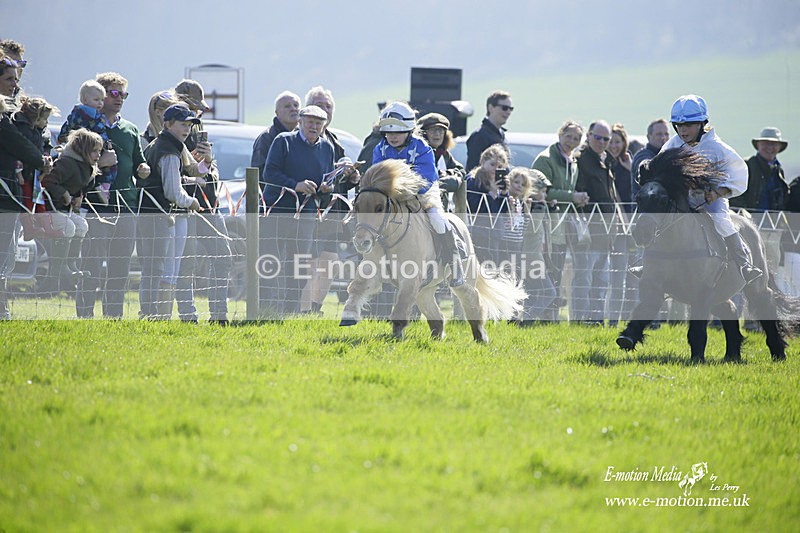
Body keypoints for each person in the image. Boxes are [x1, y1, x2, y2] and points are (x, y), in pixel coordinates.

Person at [657, 94, 762, 284]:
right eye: (679, 125)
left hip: (710, 199)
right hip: (682, 199)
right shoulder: (672, 145)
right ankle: (647, 263)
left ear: (701, 124)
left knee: (722, 220)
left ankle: (744, 264)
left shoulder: (718, 148)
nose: (683, 130)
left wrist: (717, 193)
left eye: (687, 125)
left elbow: (739, 175)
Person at [74, 72, 149, 319]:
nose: (119, 99)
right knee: (91, 267)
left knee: (120, 269)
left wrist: (143, 169)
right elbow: (69, 162)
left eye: (123, 94)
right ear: (101, 96)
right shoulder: (85, 127)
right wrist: (99, 163)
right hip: (95, 206)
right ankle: (84, 316)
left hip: (125, 207)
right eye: (114, 93)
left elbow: (139, 161)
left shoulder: (130, 129)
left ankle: (113, 318)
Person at [373, 101, 465, 286]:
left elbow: (427, 179)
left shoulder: (423, 148)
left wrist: (404, 192)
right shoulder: (379, 149)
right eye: (389, 132)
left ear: (409, 130)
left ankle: (454, 261)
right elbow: (377, 175)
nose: (393, 136)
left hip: (423, 194)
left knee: (438, 219)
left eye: (398, 132)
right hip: (391, 197)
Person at [262, 105, 335, 314]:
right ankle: (266, 310)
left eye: (318, 123)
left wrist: (325, 188)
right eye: (310, 122)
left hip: (307, 213)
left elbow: (327, 181)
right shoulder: (284, 141)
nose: (314, 126)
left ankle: (290, 311)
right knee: (271, 261)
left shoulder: (327, 148)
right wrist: (295, 185)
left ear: (324, 126)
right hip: (277, 210)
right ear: (300, 122)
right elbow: (270, 174)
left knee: (300, 264)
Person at [138, 104, 202, 320]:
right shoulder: (168, 151)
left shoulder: (166, 145)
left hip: (163, 215)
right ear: (167, 124)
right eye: (182, 124)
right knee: (160, 267)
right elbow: (173, 192)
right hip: (160, 215)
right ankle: (152, 314)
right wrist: (192, 202)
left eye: (189, 125)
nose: (186, 129)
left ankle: (161, 316)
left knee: (167, 266)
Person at [300, 86, 360, 315]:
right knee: (309, 260)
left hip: (332, 213)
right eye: (318, 104)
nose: (323, 109)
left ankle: (315, 308)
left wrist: (352, 177)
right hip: (307, 209)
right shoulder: (300, 138)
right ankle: (303, 309)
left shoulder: (335, 141)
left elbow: (341, 181)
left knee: (331, 258)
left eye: (327, 106)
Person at [0, 85, 53, 319]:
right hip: (10, 192)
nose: (14, 84)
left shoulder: (15, 124)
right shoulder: (12, 126)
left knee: (6, 254)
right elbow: (23, 148)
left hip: (14, 195)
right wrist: (41, 161)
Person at [40, 129, 104, 295]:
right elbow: (48, 181)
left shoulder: (88, 167)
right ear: (82, 150)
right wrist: (63, 193)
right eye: (94, 151)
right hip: (50, 209)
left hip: (65, 209)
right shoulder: (67, 163)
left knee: (81, 225)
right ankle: (59, 266)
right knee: (69, 227)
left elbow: (81, 186)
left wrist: (79, 196)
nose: (98, 155)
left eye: (99, 151)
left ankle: (71, 263)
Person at [533, 120, 586, 320]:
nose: (571, 142)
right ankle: (538, 316)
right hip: (544, 225)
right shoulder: (545, 159)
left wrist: (578, 199)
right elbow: (540, 191)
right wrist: (572, 196)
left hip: (561, 228)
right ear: (559, 134)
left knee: (557, 271)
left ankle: (551, 318)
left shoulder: (573, 161)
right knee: (544, 273)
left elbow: (565, 193)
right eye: (568, 136)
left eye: (576, 138)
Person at [573, 120, 617, 324]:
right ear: (588, 136)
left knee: (602, 279)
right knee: (585, 277)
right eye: (597, 137)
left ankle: (597, 319)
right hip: (588, 230)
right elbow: (579, 193)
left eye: (606, 139)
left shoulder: (607, 160)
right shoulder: (581, 160)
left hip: (606, 231)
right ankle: (581, 318)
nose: (601, 142)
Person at [57, 80, 119, 203]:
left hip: (75, 148)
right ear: (85, 99)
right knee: (111, 163)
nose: (100, 103)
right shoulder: (94, 116)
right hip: (91, 146)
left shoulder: (74, 113)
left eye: (102, 100)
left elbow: (67, 127)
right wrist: (106, 144)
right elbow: (99, 131)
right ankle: (104, 185)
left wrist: (62, 137)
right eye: (96, 100)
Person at [606, 123, 636, 325]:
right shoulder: (604, 164)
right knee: (614, 277)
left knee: (630, 276)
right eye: (611, 141)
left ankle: (627, 318)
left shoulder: (629, 165)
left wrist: (631, 169)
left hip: (630, 226)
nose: (614, 146)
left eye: (618, 142)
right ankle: (612, 320)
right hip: (611, 226)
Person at [466, 144, 510, 264]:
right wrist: (492, 192)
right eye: (492, 164)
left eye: (500, 166)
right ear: (483, 161)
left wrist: (505, 194)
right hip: (479, 232)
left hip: (496, 232)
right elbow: (476, 208)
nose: (495, 169)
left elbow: (503, 211)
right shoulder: (473, 181)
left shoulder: (498, 181)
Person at [418, 112, 467, 219]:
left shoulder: (443, 154)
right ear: (424, 133)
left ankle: (462, 223)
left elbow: (461, 170)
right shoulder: (418, 153)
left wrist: (448, 173)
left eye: (441, 130)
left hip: (441, 207)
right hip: (421, 207)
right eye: (432, 130)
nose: (437, 134)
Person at [731, 127, 789, 212]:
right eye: (765, 143)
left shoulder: (779, 170)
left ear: (779, 147)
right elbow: (734, 193)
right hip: (748, 221)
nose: (769, 147)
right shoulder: (746, 165)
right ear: (758, 145)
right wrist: (745, 214)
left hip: (772, 222)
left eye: (774, 144)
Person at [250, 91, 301, 175]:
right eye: (287, 106)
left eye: (296, 105)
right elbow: (259, 173)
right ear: (277, 113)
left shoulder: (304, 136)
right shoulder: (266, 138)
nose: (293, 109)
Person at [465, 90, 512, 172]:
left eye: (511, 109)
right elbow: (473, 169)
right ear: (491, 108)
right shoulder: (479, 135)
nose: (508, 112)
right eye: (505, 108)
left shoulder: (501, 135)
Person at [630, 119, 670, 198]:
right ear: (649, 137)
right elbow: (645, 167)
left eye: (666, 134)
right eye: (659, 134)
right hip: (645, 208)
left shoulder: (667, 155)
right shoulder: (642, 155)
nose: (663, 137)